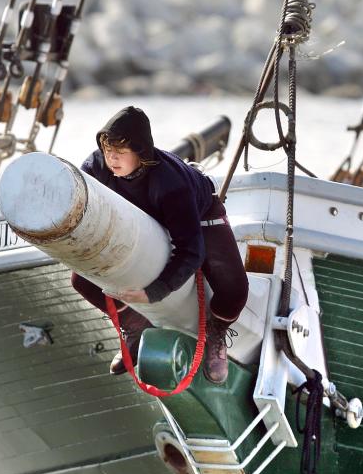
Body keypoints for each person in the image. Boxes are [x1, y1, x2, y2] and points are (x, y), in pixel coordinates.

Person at [69, 106, 249, 383]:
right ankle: (135, 326)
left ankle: (216, 334)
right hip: (136, 215)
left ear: (140, 152)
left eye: (120, 151)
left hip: (200, 215)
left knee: (235, 290)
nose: (112, 158)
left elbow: (191, 250)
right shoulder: (96, 168)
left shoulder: (170, 182)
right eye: (108, 150)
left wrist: (155, 291)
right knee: (82, 281)